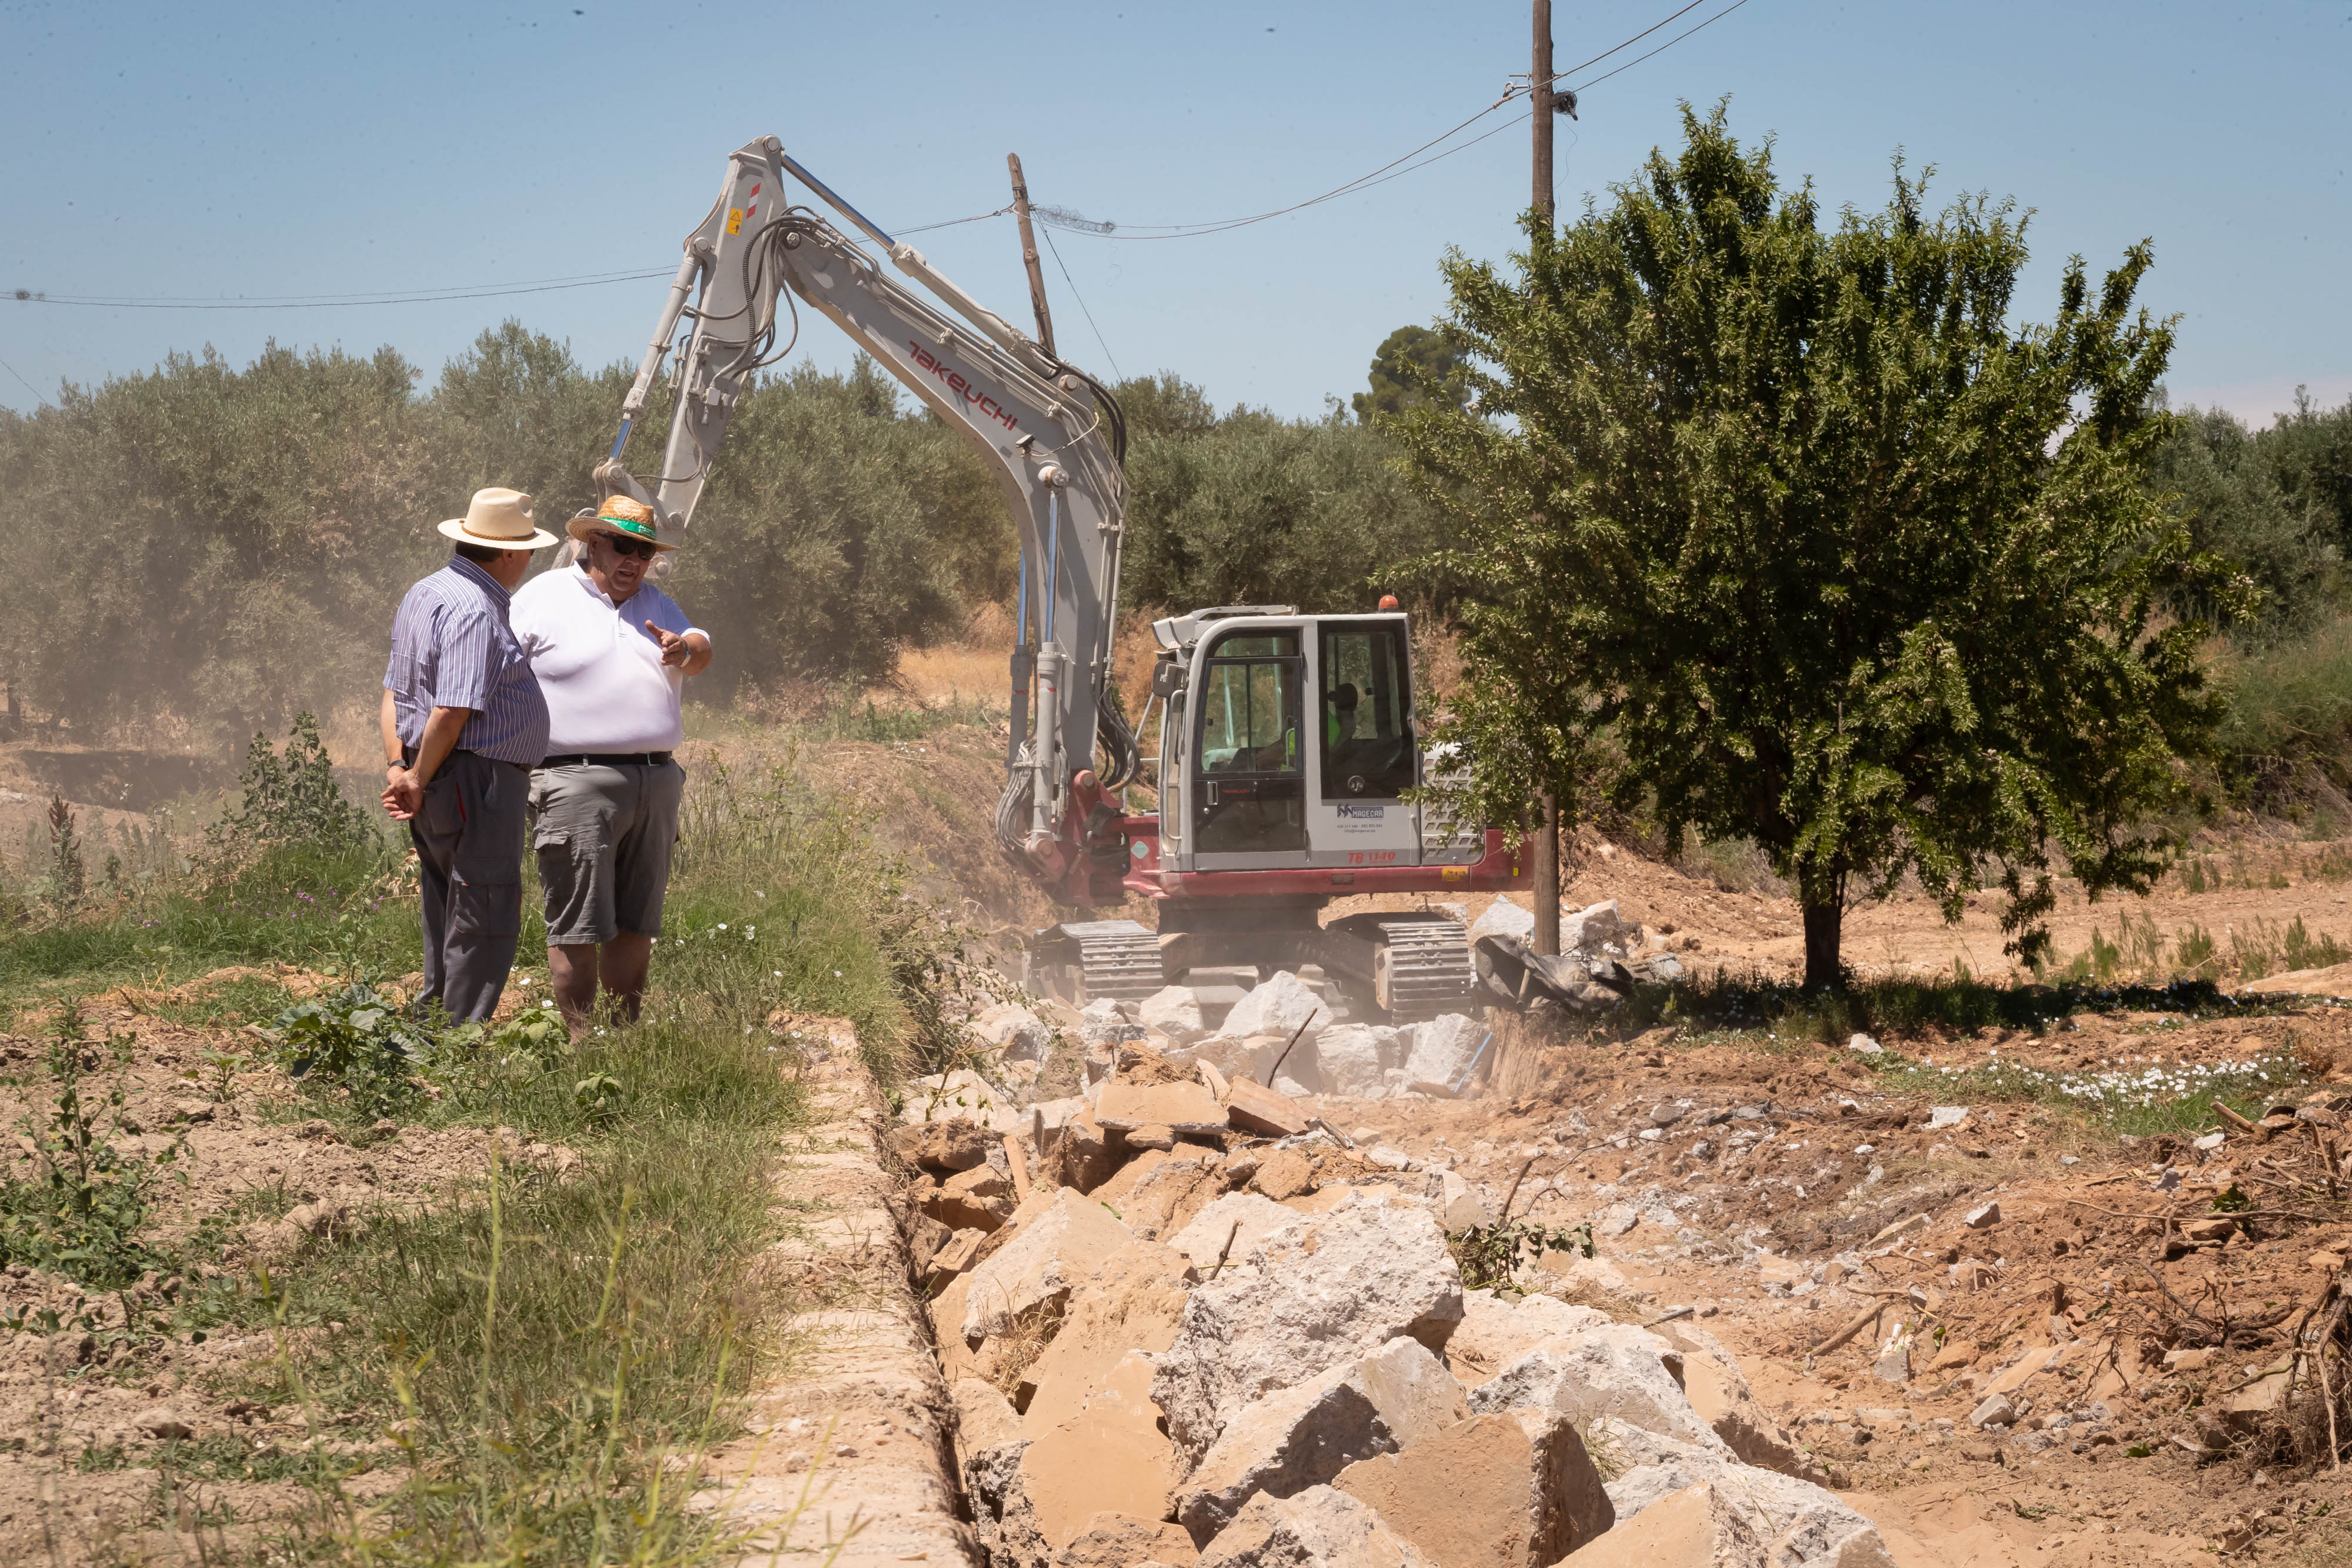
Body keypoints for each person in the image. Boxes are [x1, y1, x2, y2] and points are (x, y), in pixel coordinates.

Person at [510, 495, 712, 1031]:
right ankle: (583, 1046)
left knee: (636, 922)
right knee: (576, 923)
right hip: (574, 779)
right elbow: (497, 668)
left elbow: (701, 646)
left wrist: (684, 649)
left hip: (656, 780)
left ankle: (625, 1036)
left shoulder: (657, 603)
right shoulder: (544, 596)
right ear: (592, 542)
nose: (635, 561)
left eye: (644, 551)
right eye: (623, 546)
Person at [380, 486, 556, 1021]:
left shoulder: (424, 592)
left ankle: (435, 1022)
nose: (529, 558)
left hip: (438, 773)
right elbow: (452, 711)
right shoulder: (476, 609)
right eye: (527, 548)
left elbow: (393, 692)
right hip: (475, 779)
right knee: (483, 903)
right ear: (507, 553)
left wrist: (400, 766)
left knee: (445, 900)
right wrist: (416, 773)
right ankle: (458, 1038)